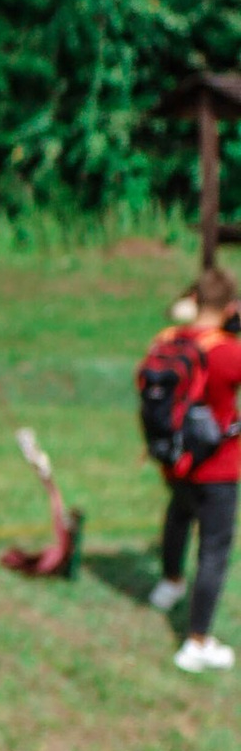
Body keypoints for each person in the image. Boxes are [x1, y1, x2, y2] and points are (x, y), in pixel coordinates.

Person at [145, 267, 241, 674]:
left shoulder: (168, 340)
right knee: (214, 550)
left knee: (179, 515)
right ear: (231, 307)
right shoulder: (228, 352)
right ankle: (197, 642)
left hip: (174, 460)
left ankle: (169, 583)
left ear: (194, 299)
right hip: (217, 466)